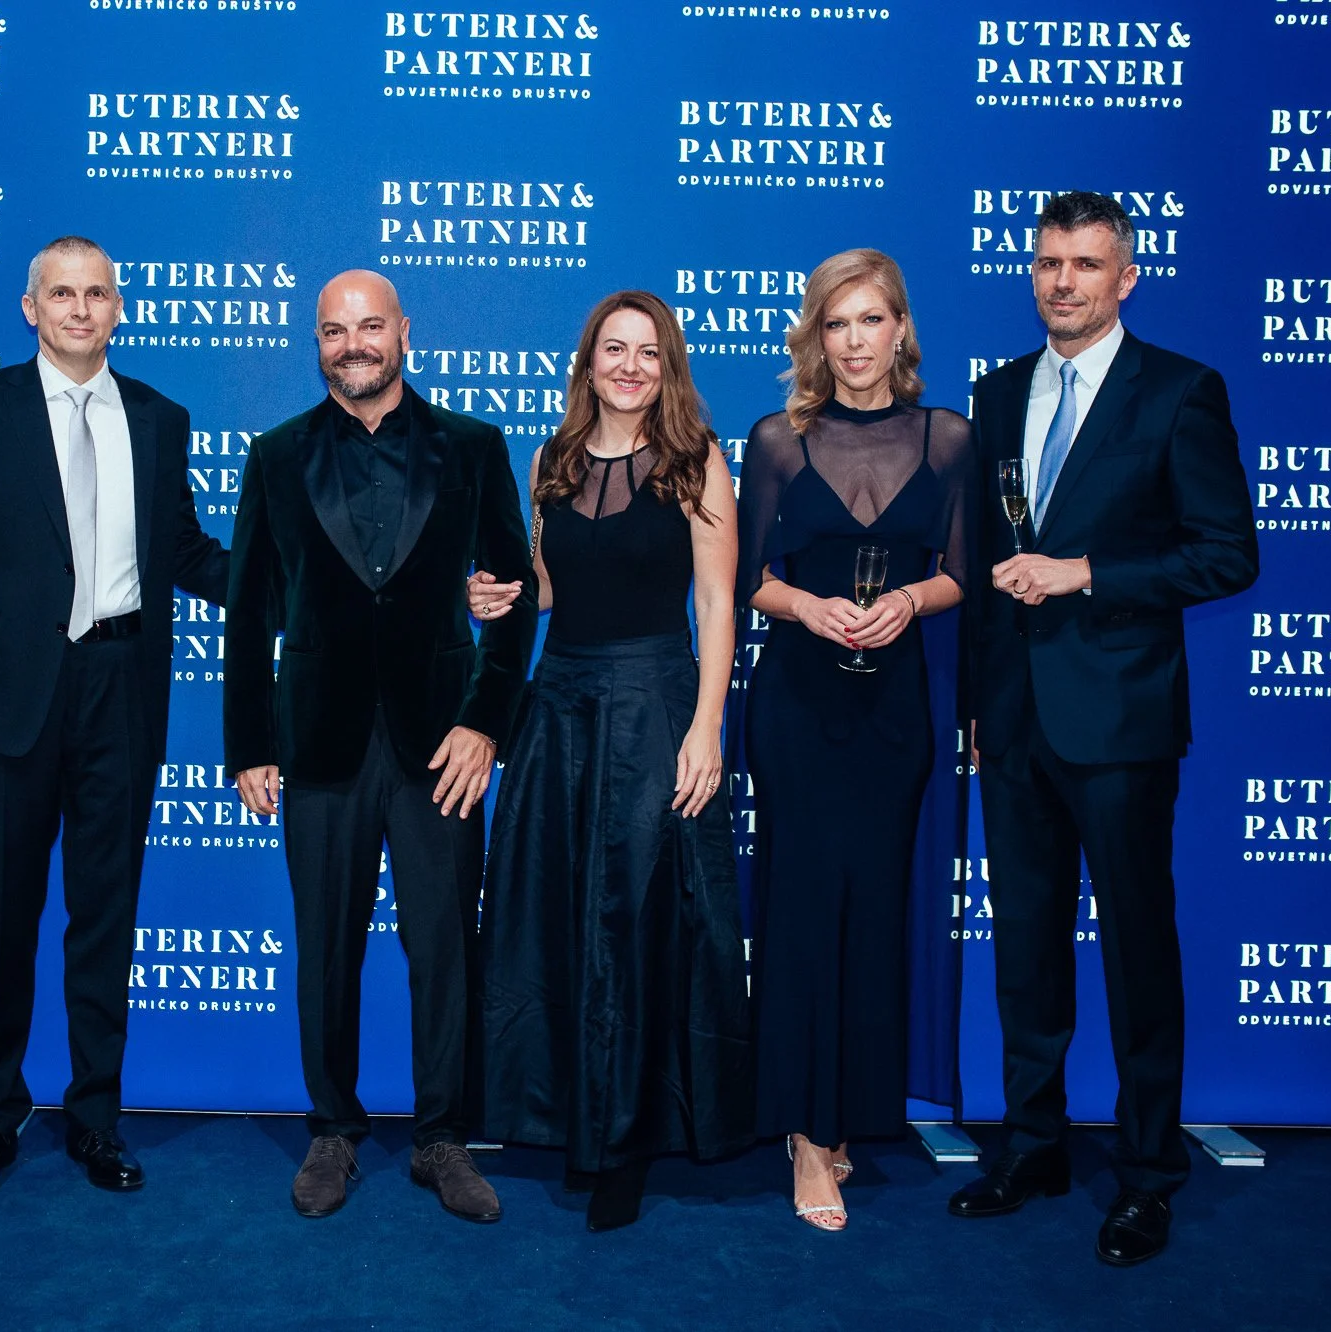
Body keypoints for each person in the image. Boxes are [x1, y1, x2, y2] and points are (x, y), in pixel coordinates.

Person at [951, 192, 1257, 1266]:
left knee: (1134, 951)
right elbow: (987, 578)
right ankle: (1030, 1143)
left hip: (1121, 721)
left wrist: (1085, 573)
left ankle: (1144, 1175)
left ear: (1125, 277)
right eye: (1047, 262)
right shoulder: (993, 396)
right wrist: (979, 711)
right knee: (1024, 950)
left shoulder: (1178, 392)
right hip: (1016, 725)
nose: (1063, 281)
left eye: (1085, 263)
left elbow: (1226, 554)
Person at [0, 237, 231, 1200]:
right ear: (30, 307)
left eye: (96, 294)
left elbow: (185, 551)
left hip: (121, 688)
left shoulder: (160, 417)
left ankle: (96, 1117)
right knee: (3, 919)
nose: (80, 309)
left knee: (106, 918)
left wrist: (304, 587)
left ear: (117, 308)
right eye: (62, 294)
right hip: (4, 701)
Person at [224, 271, 536, 1223]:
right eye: (332, 330)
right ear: (315, 343)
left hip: (441, 743)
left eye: (369, 326)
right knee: (324, 947)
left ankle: (442, 1135)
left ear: (405, 332)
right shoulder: (274, 457)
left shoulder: (475, 447)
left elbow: (514, 600)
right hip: (317, 746)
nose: (352, 343)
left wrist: (484, 723)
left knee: (443, 946)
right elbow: (247, 617)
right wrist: (249, 746)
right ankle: (333, 1127)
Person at [478, 291, 753, 1232]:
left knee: (637, 929)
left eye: (647, 351)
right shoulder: (550, 461)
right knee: (559, 919)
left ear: (667, 363)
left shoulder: (695, 461)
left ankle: (629, 1140)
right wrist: (501, 594)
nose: (630, 366)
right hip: (557, 710)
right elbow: (553, 587)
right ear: (587, 361)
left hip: (653, 707)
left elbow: (718, 606)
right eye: (613, 349)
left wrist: (708, 723)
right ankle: (571, 1118)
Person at [735, 249, 972, 1232]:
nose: (855, 341)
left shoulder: (949, 437)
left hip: (893, 715)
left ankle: (849, 1119)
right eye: (836, 324)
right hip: (795, 705)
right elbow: (746, 577)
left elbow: (961, 571)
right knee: (797, 910)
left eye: (870, 320)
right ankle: (801, 1134)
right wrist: (809, 607)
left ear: (899, 331)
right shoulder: (776, 440)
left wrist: (909, 599)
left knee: (874, 910)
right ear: (813, 337)